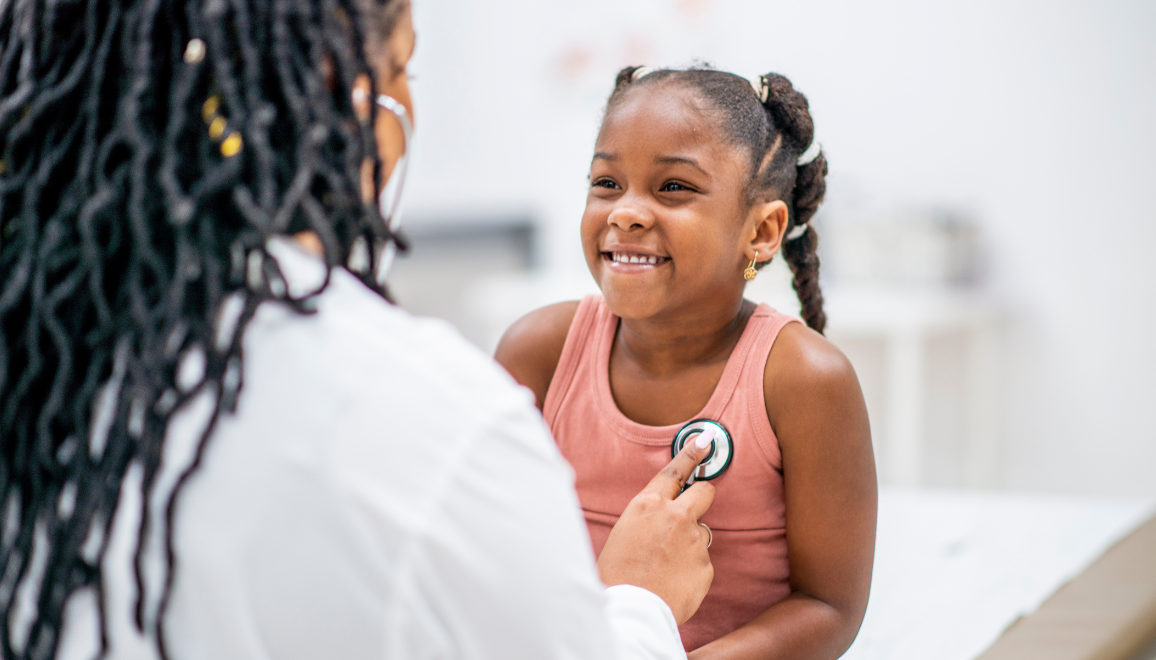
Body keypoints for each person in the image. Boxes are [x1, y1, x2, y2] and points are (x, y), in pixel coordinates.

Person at [0, 2, 718, 659]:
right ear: (334, 92)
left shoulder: (38, 357)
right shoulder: (439, 423)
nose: (406, 101)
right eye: (399, 68)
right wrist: (640, 603)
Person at [496, 66, 877, 658]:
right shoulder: (538, 352)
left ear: (762, 231)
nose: (625, 212)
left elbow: (829, 609)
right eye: (606, 183)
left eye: (674, 187)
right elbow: (498, 559)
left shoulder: (803, 380)